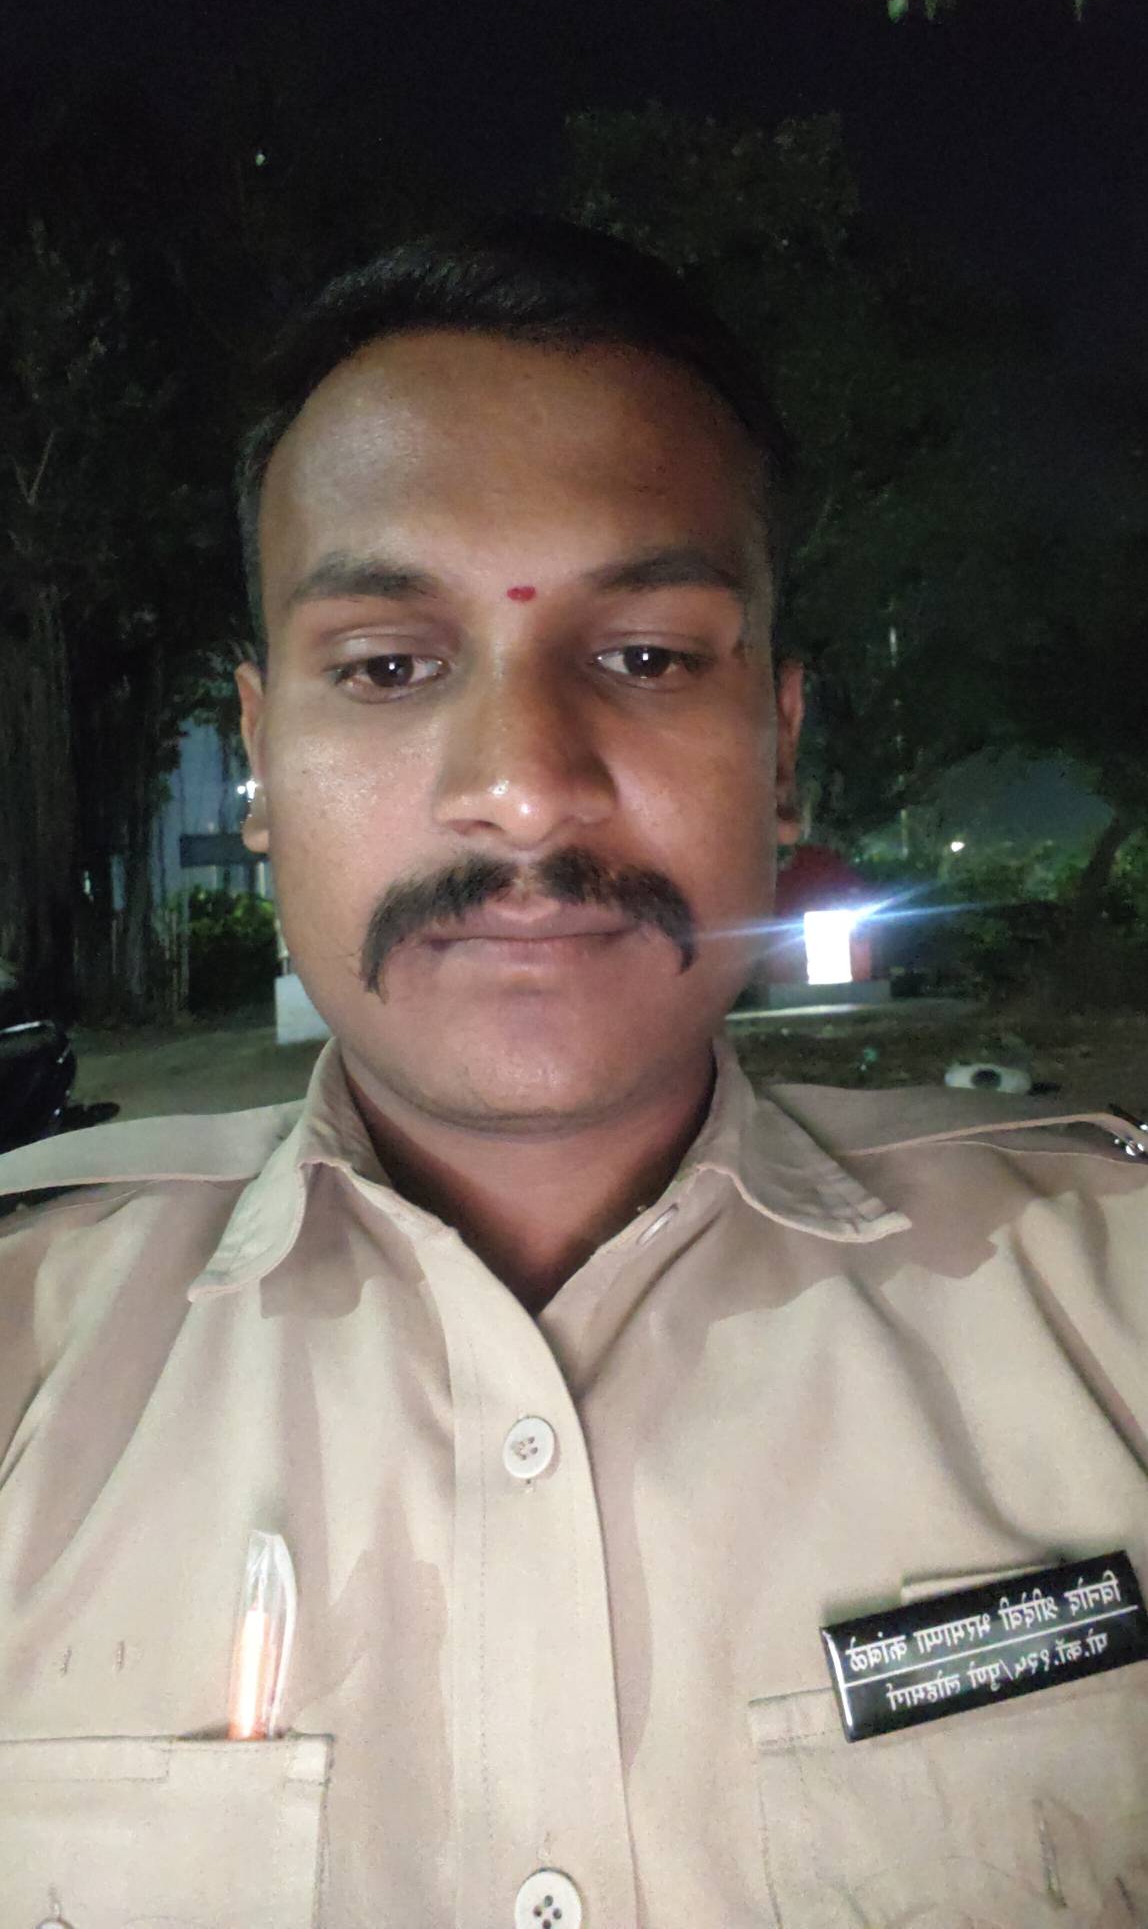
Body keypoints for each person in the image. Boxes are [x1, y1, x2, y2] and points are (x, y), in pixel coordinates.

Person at [1, 219, 1147, 1929]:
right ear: (258, 761)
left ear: (780, 751)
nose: (528, 788)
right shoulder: (28, 1349)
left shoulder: (1108, 1307)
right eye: (390, 667)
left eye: (647, 658)